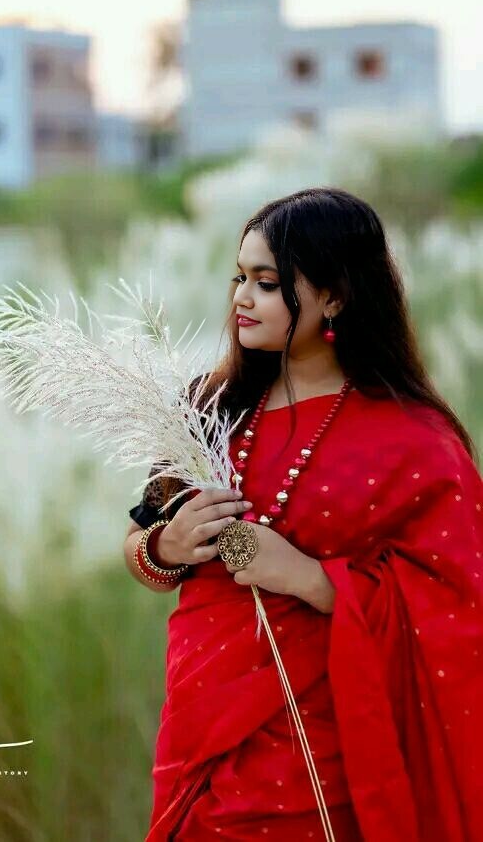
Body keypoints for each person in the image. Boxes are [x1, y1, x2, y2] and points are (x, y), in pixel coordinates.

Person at [122, 188, 483, 841]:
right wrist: (167, 547)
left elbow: (456, 607)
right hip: (200, 729)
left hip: (328, 747)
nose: (241, 297)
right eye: (239, 278)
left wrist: (310, 579)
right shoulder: (207, 409)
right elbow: (139, 546)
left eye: (266, 283)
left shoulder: (415, 440)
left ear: (335, 296)